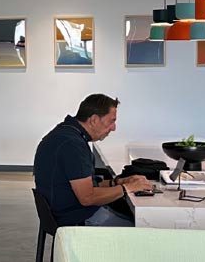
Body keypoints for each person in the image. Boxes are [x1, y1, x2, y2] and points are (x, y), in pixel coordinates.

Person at [33, 94, 153, 228]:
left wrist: (118, 182)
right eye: (111, 121)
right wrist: (128, 188)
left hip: (63, 211)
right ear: (94, 120)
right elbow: (87, 197)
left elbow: (84, 184)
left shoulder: (66, 133)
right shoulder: (73, 145)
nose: (114, 128)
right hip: (76, 218)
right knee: (143, 228)